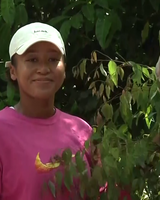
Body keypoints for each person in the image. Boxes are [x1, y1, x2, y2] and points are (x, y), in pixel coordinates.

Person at [0, 22, 131, 200]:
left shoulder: (81, 130)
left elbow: (111, 192)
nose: (44, 69)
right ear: (13, 71)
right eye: (32, 60)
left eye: (53, 59)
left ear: (64, 68)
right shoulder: (3, 130)